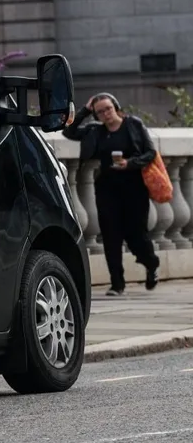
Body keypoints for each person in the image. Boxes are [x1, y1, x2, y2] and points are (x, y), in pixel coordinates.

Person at [62, 92, 161, 294]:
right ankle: (117, 283)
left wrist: (129, 163)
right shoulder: (95, 130)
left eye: (108, 109)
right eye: (100, 112)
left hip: (134, 188)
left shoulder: (133, 125)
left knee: (137, 236)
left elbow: (150, 153)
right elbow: (69, 132)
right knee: (110, 236)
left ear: (115, 107)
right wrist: (85, 110)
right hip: (107, 188)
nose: (106, 114)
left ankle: (151, 264)